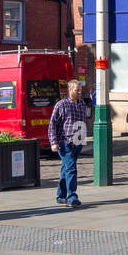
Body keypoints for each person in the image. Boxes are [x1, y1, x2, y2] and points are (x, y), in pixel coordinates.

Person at [49, 79, 87, 208]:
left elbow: (83, 121)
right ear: (70, 90)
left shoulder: (82, 104)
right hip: (64, 141)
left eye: (80, 90)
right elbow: (52, 124)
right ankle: (72, 196)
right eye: (77, 90)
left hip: (78, 141)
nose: (79, 92)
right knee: (71, 168)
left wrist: (83, 138)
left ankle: (60, 196)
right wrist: (54, 142)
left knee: (66, 168)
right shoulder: (61, 105)